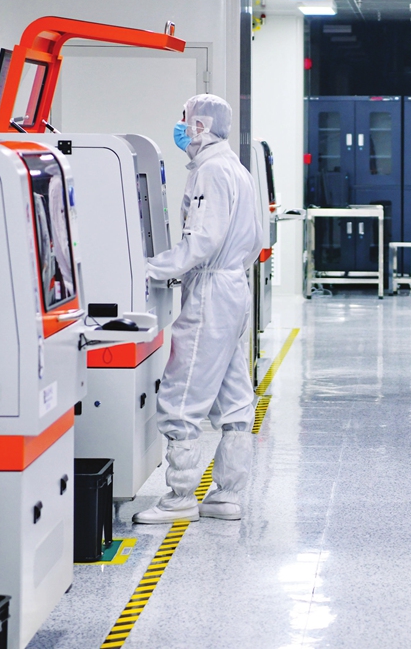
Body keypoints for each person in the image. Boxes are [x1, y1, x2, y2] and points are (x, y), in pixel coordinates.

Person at [133, 94, 267, 524]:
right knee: (233, 397)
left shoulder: (210, 171)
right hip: (234, 287)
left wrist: (151, 268)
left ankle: (179, 498)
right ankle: (227, 495)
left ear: (199, 127)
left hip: (211, 290)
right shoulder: (237, 170)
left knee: (182, 392)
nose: (180, 126)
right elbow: (255, 239)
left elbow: (202, 241)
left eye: (184, 120)